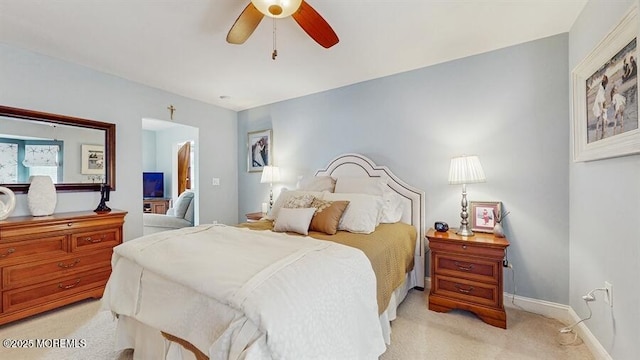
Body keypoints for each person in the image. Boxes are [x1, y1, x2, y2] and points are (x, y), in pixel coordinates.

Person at [592, 75, 608, 140]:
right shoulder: (601, 88)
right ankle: (599, 130)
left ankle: (601, 130)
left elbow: (602, 97)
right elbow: (599, 99)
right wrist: (601, 107)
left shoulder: (603, 87)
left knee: (602, 116)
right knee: (600, 116)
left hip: (601, 101)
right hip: (599, 102)